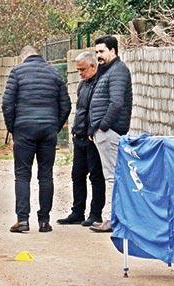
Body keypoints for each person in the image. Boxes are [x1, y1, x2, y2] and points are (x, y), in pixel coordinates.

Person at [2, 45, 71, 234]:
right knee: (46, 175)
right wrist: (54, 126)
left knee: (22, 175)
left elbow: (7, 103)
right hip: (48, 130)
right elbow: (66, 105)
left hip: (23, 129)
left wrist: (13, 127)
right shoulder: (55, 73)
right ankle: (44, 221)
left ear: (23, 57)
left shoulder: (17, 72)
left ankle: (22, 220)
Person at [87, 35, 132, 233]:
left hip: (109, 132)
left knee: (112, 177)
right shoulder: (108, 71)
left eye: (102, 51)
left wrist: (102, 126)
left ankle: (113, 220)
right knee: (110, 176)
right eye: (96, 52)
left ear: (113, 51)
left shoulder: (118, 71)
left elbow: (116, 103)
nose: (99, 55)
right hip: (104, 131)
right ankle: (113, 218)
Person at [57, 51, 105, 227]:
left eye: (83, 69)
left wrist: (94, 130)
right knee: (77, 175)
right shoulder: (82, 85)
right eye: (78, 70)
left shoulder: (100, 84)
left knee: (96, 177)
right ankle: (77, 212)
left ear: (93, 66)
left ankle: (95, 214)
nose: (80, 73)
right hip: (79, 136)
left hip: (93, 137)